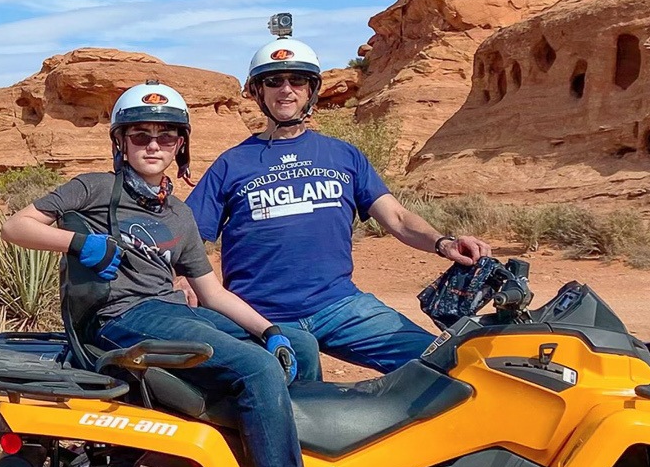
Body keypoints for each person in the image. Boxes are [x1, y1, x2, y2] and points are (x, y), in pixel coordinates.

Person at [1, 83, 341, 467]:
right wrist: (78, 243)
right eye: (140, 135)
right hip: (119, 319)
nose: (153, 145)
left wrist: (271, 330)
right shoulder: (96, 188)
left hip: (175, 313)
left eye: (166, 135)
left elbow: (212, 292)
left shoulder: (178, 211)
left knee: (302, 347)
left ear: (181, 143)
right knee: (257, 369)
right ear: (121, 142)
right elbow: (17, 225)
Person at [187, 31, 492, 378]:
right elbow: (191, 236)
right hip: (261, 317)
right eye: (273, 81)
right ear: (258, 92)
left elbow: (397, 216)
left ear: (311, 90)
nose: (286, 89)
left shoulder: (343, 155)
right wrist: (182, 276)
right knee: (302, 411)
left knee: (444, 365)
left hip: (341, 307)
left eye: (297, 80)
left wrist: (444, 243)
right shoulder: (232, 164)